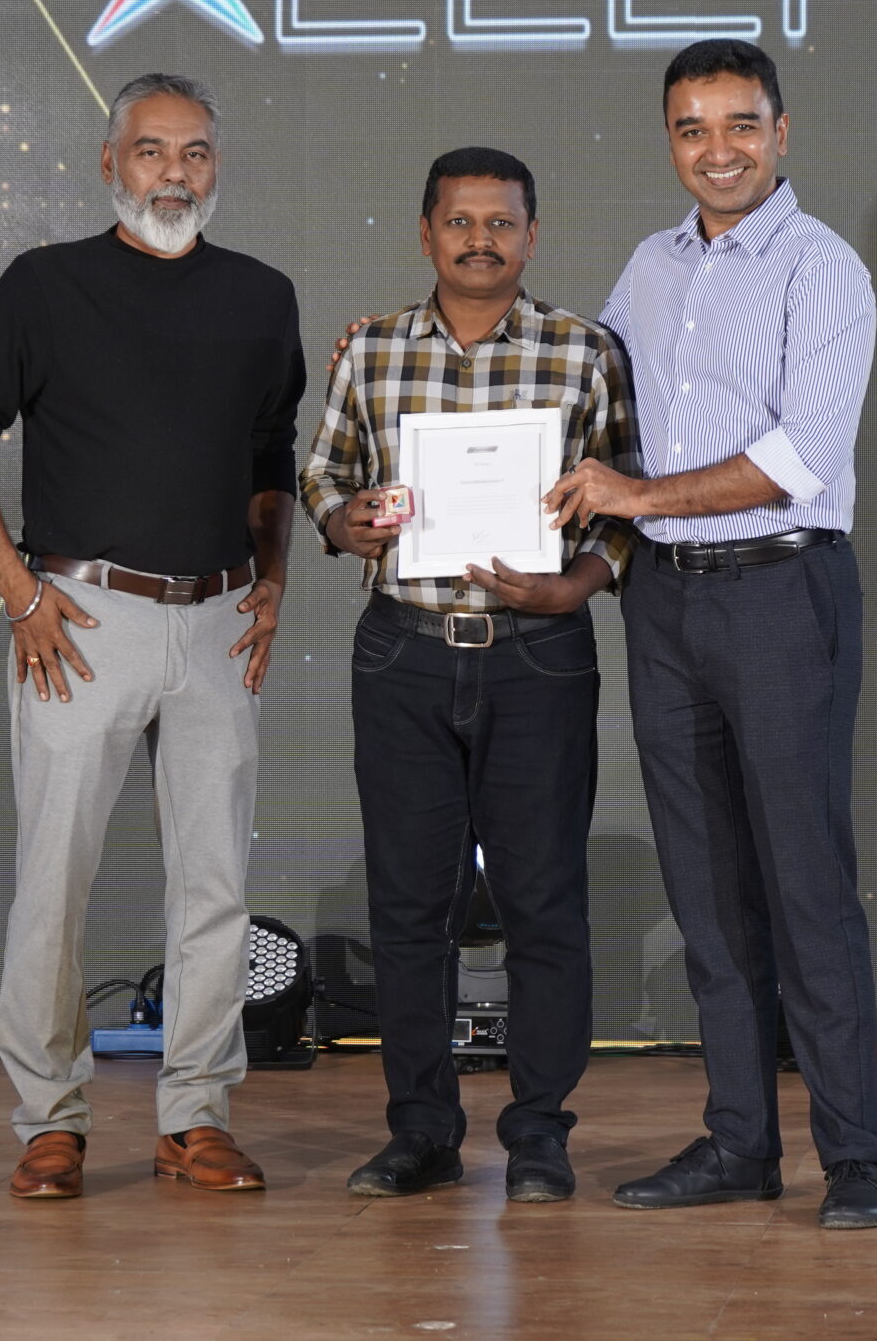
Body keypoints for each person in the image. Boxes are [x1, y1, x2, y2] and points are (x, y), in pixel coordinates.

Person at [0, 71, 304, 1201]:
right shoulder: (46, 286)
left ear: (216, 167)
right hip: (81, 620)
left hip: (220, 620)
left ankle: (197, 1116)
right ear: (109, 163)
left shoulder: (262, 295)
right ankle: (50, 1120)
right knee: (54, 883)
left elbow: (269, 455)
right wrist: (17, 591)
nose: (173, 174)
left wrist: (274, 579)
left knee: (215, 888)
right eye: (151, 151)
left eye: (195, 153)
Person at [545, 39, 877, 1228]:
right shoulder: (649, 267)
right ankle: (740, 1142)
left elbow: (804, 456)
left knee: (805, 884)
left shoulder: (822, 267)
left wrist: (639, 496)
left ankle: (854, 1159)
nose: (718, 150)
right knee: (704, 888)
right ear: (670, 142)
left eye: (740, 124)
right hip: (664, 603)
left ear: (780, 133)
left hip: (781, 593)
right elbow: (577, 392)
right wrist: (413, 363)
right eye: (692, 128)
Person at [300, 146, 640, 1205]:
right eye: (459, 221)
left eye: (501, 222)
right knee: (410, 907)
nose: (479, 239)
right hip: (402, 649)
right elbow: (324, 475)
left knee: (544, 902)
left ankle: (538, 1133)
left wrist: (577, 584)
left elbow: (626, 495)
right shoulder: (371, 349)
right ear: (425, 233)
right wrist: (344, 521)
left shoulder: (584, 351)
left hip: (539, 652)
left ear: (532, 235)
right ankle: (422, 1131)